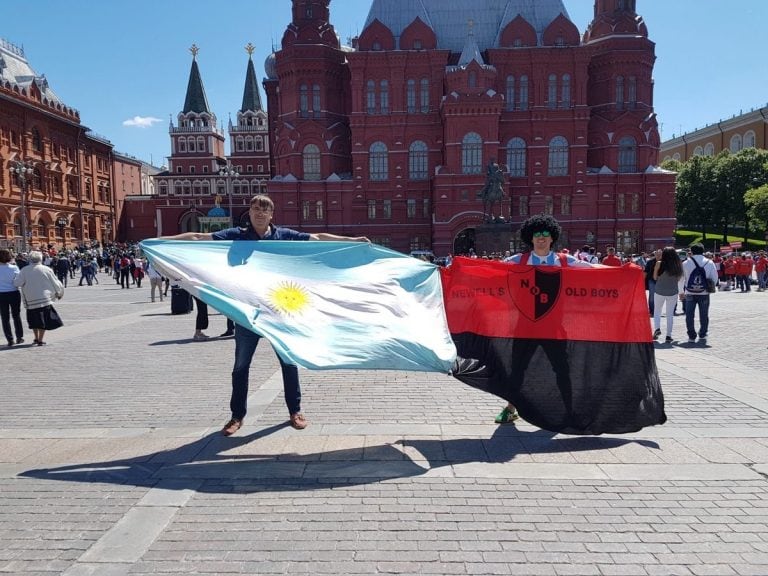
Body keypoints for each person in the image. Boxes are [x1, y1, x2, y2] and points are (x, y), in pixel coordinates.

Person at [161, 194, 369, 435]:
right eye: (256, 209)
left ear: (272, 215)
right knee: (241, 366)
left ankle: (295, 411)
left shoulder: (284, 237)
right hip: (247, 313)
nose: (260, 213)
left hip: (279, 312)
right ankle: (236, 416)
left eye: (265, 210)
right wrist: (160, 241)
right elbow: (199, 237)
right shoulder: (236, 235)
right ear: (249, 213)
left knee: (288, 363)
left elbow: (318, 238)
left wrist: (351, 240)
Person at [497, 214, 593, 424]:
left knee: (562, 369)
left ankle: (569, 410)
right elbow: (489, 271)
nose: (541, 238)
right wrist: (454, 270)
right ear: (530, 238)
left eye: (545, 234)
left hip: (553, 327)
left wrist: (624, 271)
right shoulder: (517, 261)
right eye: (537, 234)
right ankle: (510, 408)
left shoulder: (565, 261)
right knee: (517, 369)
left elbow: (594, 271)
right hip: (525, 326)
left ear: (552, 238)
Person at [13, 250, 64, 346]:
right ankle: (40, 340)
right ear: (41, 259)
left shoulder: (24, 270)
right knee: (43, 320)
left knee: (33, 320)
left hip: (30, 299)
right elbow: (56, 282)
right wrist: (60, 293)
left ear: (30, 259)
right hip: (44, 299)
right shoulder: (46, 269)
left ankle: (36, 338)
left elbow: (17, 283)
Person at [680, 243, 718, 344]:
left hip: (689, 292)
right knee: (704, 314)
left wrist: (681, 292)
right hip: (704, 292)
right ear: (703, 251)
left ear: (691, 252)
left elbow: (681, 279)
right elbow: (715, 278)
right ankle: (703, 333)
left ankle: (691, 336)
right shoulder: (709, 262)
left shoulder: (686, 263)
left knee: (689, 315)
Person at [652, 247, 684, 343]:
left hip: (659, 290)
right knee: (670, 314)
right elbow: (679, 279)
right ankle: (668, 335)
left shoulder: (659, 263)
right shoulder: (678, 265)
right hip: (672, 292)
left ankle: (657, 329)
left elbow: (654, 277)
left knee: (657, 311)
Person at [0, 248, 24, 346]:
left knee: (5, 317)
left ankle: (10, 339)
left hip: (1, 294)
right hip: (14, 293)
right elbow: (19, 281)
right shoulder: (14, 268)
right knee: (16, 315)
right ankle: (19, 337)